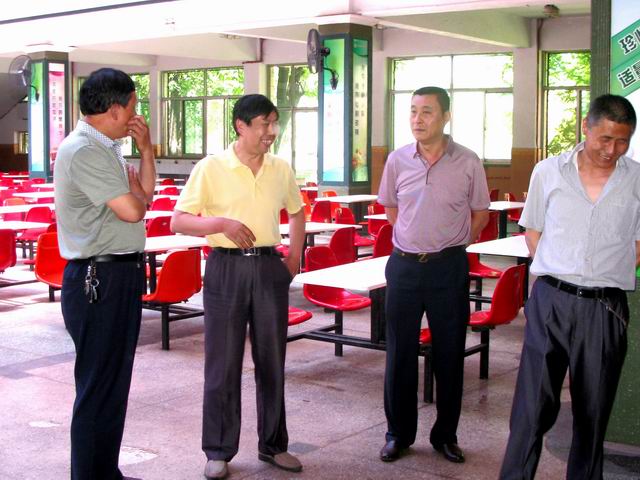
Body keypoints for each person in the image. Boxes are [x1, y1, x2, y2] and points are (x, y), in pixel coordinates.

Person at [499, 94, 639, 480]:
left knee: (593, 412)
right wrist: (559, 270)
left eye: (622, 141)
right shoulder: (548, 172)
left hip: (604, 309)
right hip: (552, 302)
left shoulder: (636, 179)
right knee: (531, 408)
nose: (612, 150)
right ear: (586, 128)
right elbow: (532, 231)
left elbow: (637, 243)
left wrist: (602, 273)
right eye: (605, 139)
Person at [171, 94, 305, 479]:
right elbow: (179, 221)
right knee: (223, 363)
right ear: (241, 126)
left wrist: (294, 257)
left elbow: (297, 212)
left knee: (272, 360)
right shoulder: (211, 167)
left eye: (274, 123)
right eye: (264, 124)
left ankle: (274, 444)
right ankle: (218, 450)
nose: (271, 131)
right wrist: (220, 224)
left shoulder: (280, 168)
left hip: (268, 267)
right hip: (225, 268)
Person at [377, 86, 490, 464]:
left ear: (446, 116)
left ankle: (446, 436)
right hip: (405, 266)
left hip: (448, 267)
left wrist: (454, 242)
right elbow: (392, 210)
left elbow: (480, 213)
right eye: (412, 111)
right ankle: (398, 434)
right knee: (399, 354)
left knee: (449, 354)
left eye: (426, 111)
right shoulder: (397, 160)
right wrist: (415, 238)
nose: (417, 119)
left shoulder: (468, 161)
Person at [54, 68, 156, 480]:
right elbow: (133, 209)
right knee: (98, 386)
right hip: (97, 279)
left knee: (113, 383)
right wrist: (138, 197)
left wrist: (146, 151)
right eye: (133, 107)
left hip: (117, 274)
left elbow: (144, 196)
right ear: (115, 109)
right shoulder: (84, 150)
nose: (136, 116)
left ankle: (105, 472)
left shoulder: (106, 146)